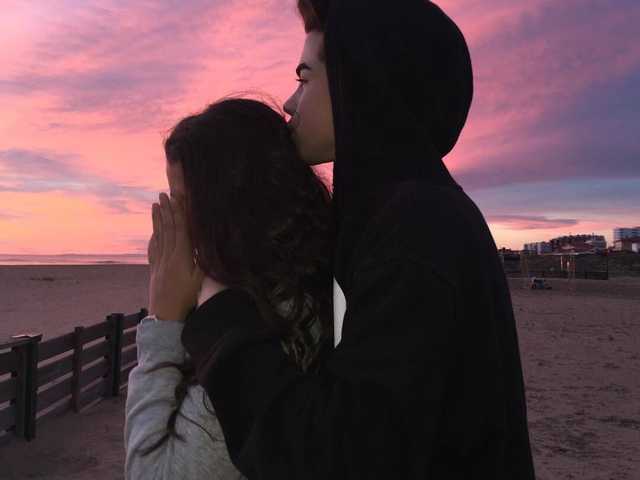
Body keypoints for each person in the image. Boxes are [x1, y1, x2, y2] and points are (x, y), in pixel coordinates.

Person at [169, 0, 537, 478]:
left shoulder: (417, 230)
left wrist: (218, 311)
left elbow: (341, 455)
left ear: (356, 82)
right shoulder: (389, 217)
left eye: (304, 79)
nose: (289, 103)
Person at [123, 97, 334, 479]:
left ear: (227, 210)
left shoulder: (262, 328)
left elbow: (151, 472)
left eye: (184, 202)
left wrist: (163, 322)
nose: (178, 220)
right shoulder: (302, 283)